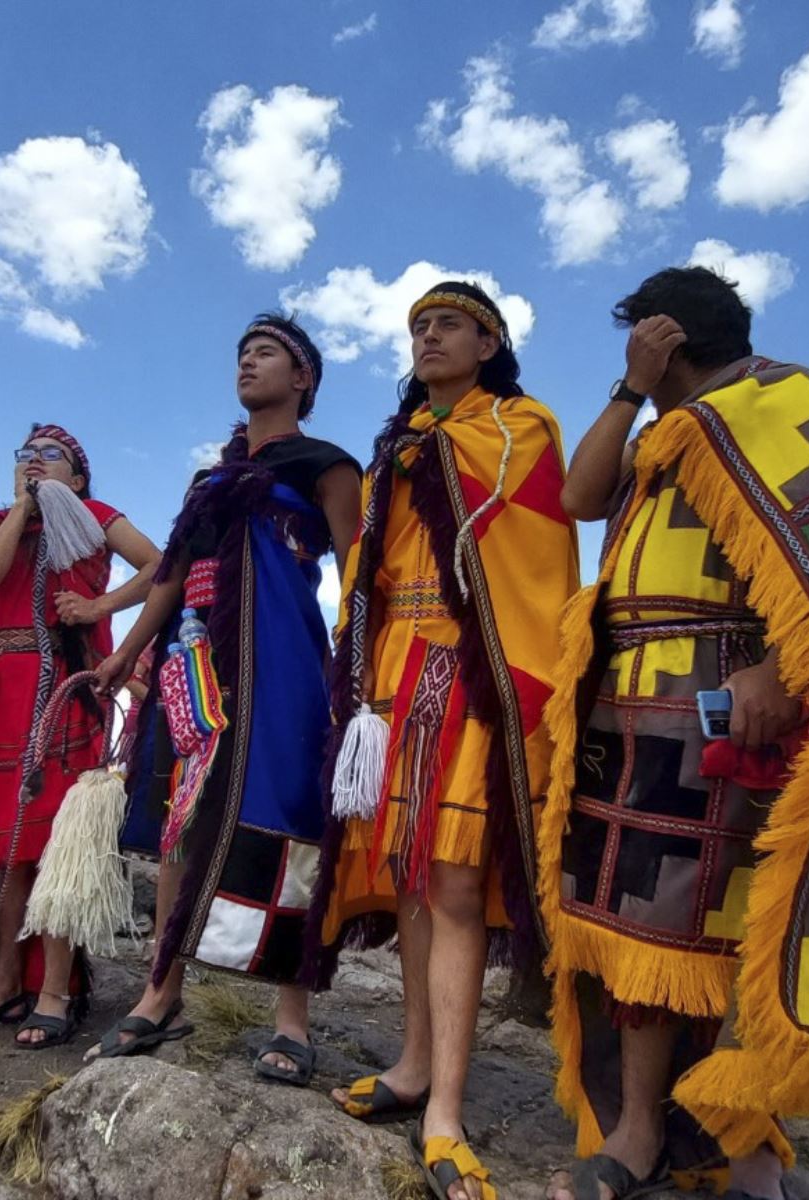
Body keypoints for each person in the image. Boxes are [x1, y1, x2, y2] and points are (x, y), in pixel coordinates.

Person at [541, 267, 809, 1200]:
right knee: (636, 922)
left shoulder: (788, 400)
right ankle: (636, 1132)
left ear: (665, 334)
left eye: (636, 342)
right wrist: (629, 390)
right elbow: (580, 498)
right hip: (629, 709)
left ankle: (747, 1148)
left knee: (741, 925)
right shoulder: (660, 433)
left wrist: (785, 670)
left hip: (737, 708)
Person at [309, 282, 579, 1200]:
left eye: (449, 324)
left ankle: (447, 1110)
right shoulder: (399, 445)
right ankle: (415, 1061)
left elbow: (531, 552)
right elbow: (367, 564)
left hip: (473, 669)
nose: (429, 337)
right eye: (418, 327)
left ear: (491, 340)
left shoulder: (519, 428)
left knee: (458, 879)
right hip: (393, 675)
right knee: (412, 875)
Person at [86, 315, 360, 1083]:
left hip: (284, 662)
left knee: (291, 817)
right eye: (241, 352)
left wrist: (358, 670)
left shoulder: (327, 465)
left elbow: (361, 571)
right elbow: (170, 572)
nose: (247, 362)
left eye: (265, 352)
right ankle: (160, 990)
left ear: (303, 377)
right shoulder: (208, 481)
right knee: (182, 817)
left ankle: (292, 1018)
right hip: (195, 662)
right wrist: (126, 654)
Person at [0, 424, 161, 1048]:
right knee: (5, 847)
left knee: (59, 844)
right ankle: (4, 983)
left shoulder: (95, 516)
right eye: (24, 456)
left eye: (49, 456)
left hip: (64, 693)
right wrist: (25, 507)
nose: (32, 462)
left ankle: (56, 991)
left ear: (79, 477)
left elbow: (160, 566)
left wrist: (99, 607)